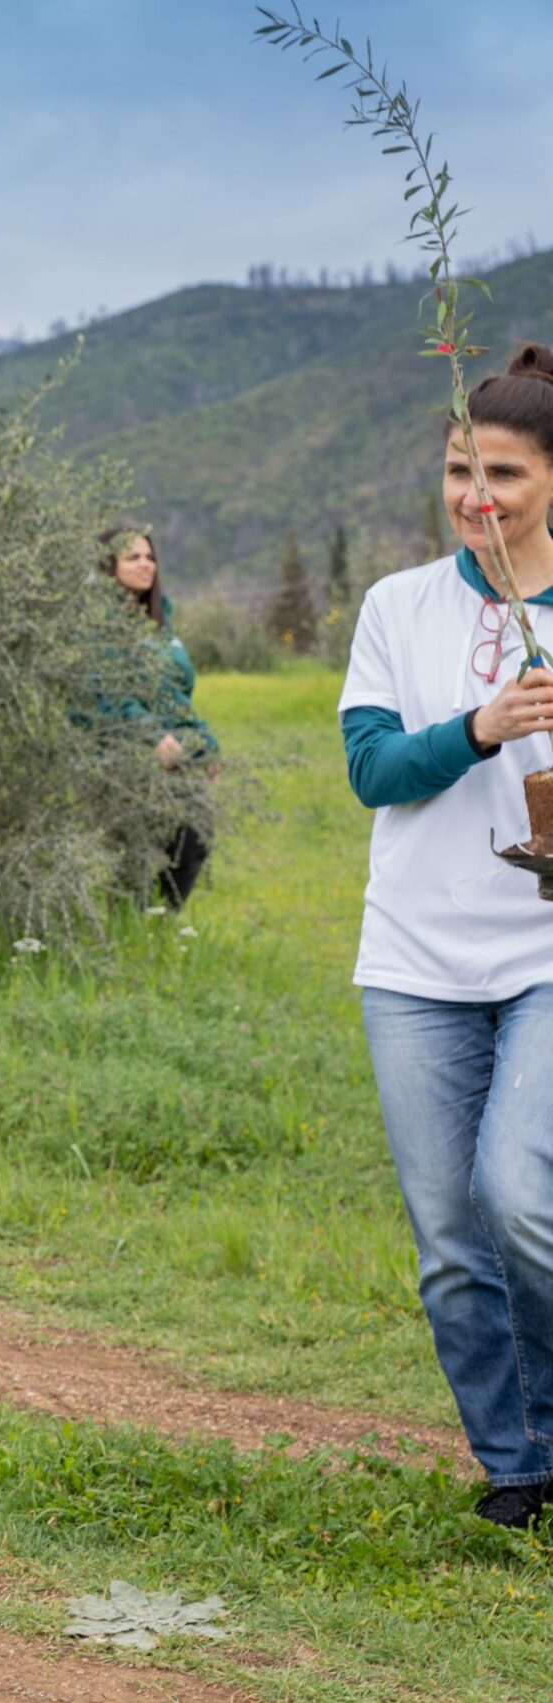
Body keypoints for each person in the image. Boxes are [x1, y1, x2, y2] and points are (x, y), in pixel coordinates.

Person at [340, 343, 553, 1528]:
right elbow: (372, 769)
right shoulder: (397, 607)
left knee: (519, 1191)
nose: (477, 495)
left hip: (544, 952)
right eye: (459, 468)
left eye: (506, 474)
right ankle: (518, 1465)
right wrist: (476, 727)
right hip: (414, 963)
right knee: (449, 1242)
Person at [98, 524, 220, 905]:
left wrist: (206, 744)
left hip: (180, 749)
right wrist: (151, 736)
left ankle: (159, 924)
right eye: (132, 557)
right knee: (136, 847)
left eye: (150, 557)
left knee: (193, 838)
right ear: (108, 565)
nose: (145, 565)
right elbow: (108, 692)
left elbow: (177, 696)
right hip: (129, 750)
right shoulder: (98, 624)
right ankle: (129, 926)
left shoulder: (160, 623)